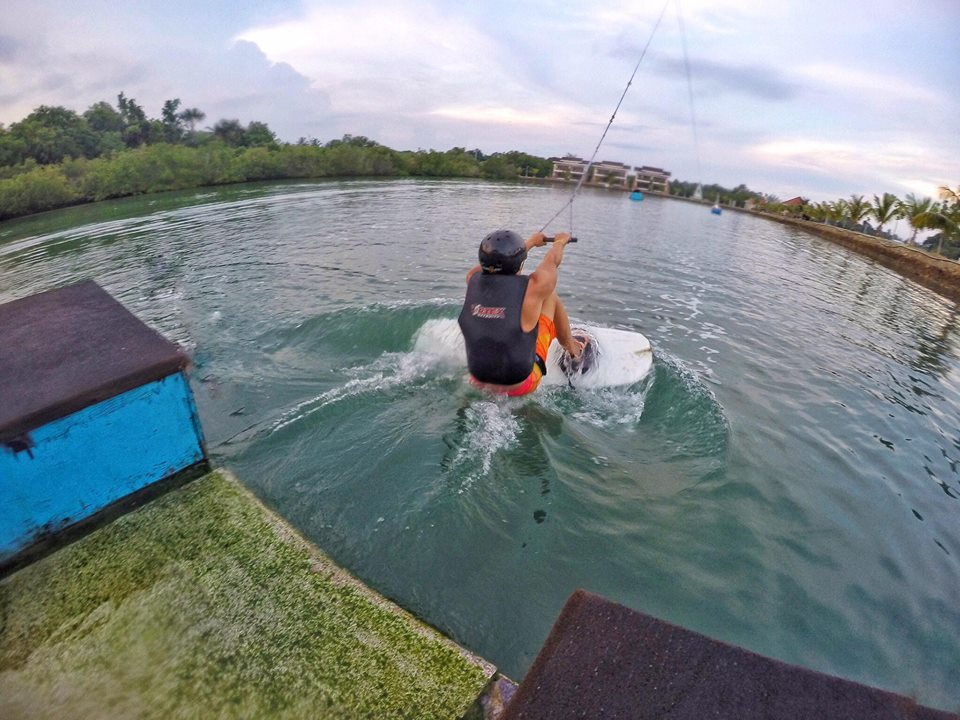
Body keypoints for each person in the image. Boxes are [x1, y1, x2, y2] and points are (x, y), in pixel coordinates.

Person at [458, 229, 584, 397]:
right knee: (549, 296)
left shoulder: (472, 278)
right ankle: (573, 351)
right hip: (521, 385)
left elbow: (491, 265)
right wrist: (560, 242)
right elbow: (552, 261)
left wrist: (530, 242)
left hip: (477, 381)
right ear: (520, 264)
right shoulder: (534, 288)